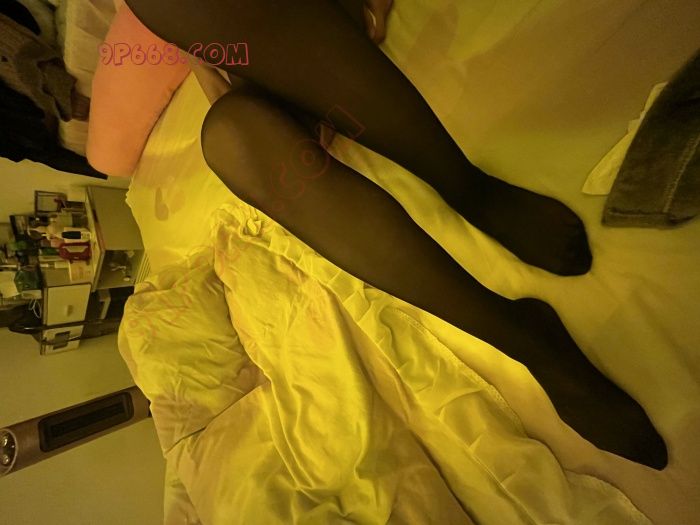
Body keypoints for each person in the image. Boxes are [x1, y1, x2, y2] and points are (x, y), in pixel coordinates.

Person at [125, 0, 667, 468]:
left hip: (307, 18)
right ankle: (519, 335)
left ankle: (471, 190)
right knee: (231, 136)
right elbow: (203, 49)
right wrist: (231, 84)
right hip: (255, 43)